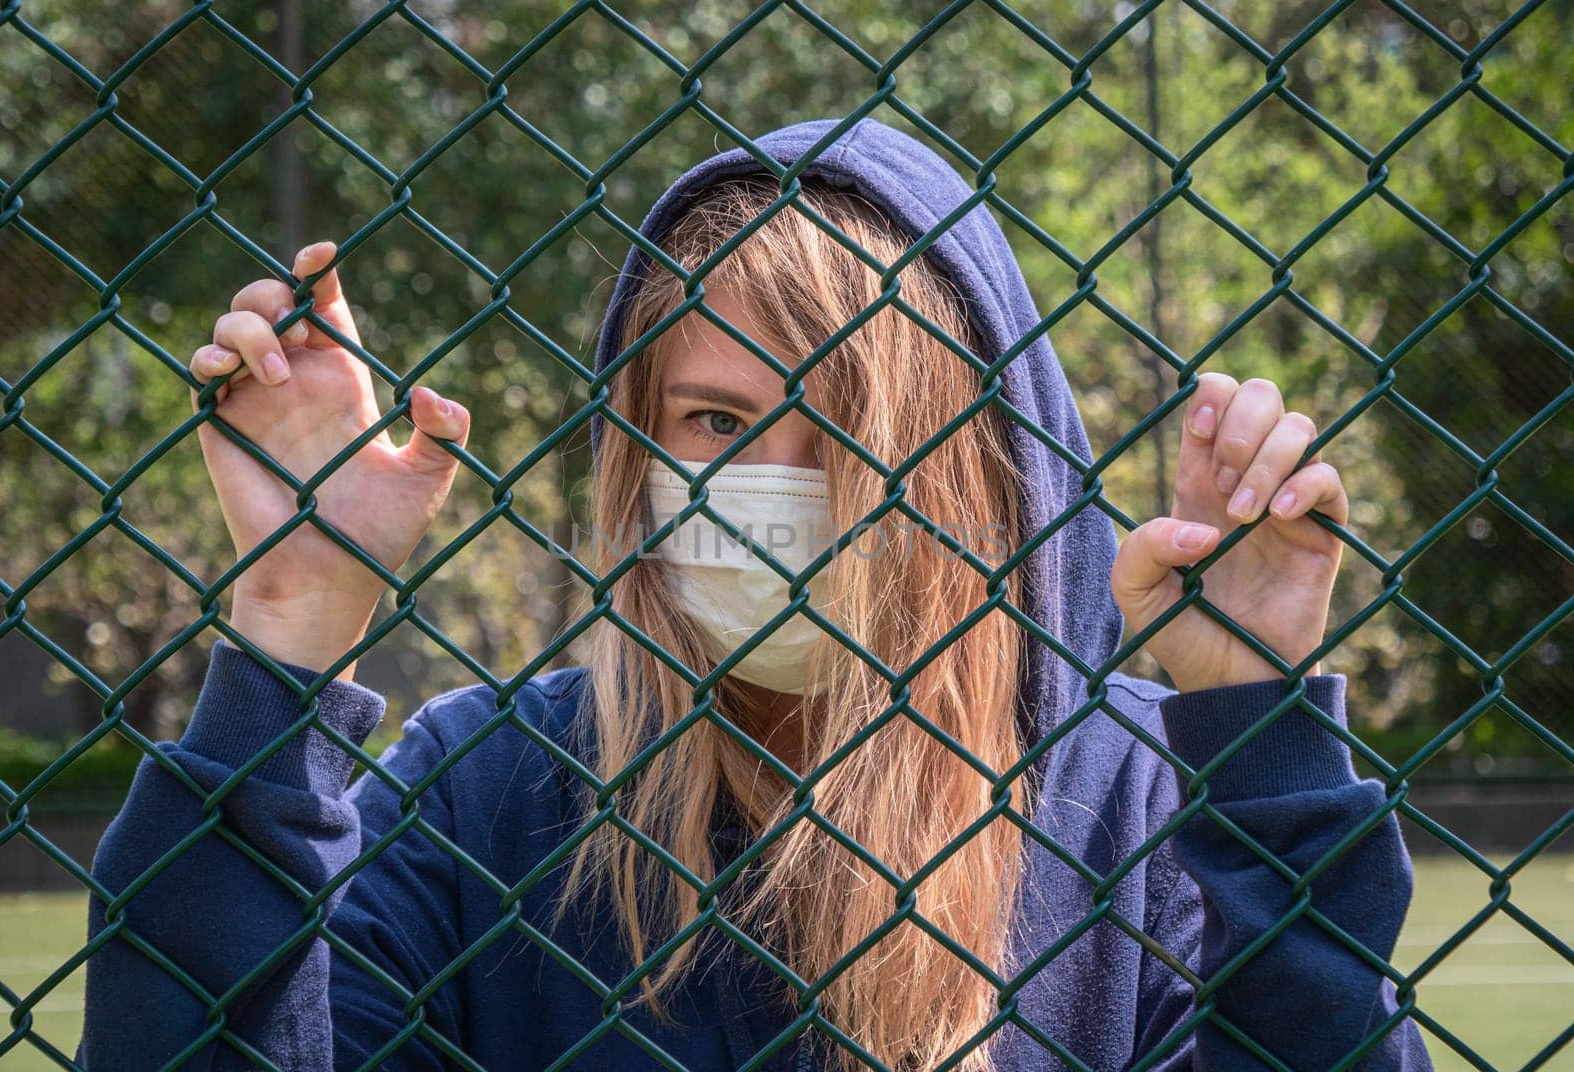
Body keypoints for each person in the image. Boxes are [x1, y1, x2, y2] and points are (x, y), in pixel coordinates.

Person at [78, 117, 1432, 1071]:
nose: (769, 487)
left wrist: (1255, 730)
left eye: (840, 434)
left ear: (972, 474)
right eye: (715, 421)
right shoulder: (491, 790)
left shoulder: (1130, 800)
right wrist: (290, 626)